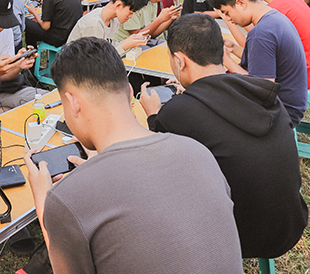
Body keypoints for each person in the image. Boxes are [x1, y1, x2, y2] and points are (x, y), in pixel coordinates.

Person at [23, 37, 244, 274]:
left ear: (73, 103)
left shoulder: (66, 198)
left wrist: (43, 202)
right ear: (130, 93)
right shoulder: (198, 151)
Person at [139, 14, 308, 259]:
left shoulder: (178, 113)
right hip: (289, 224)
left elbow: (156, 156)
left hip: (239, 237)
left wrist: (154, 115)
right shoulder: (262, 92)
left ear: (179, 61)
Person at [210, 0, 308, 128]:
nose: (228, 19)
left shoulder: (261, 34)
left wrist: (226, 60)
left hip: (280, 112)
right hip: (292, 104)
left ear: (241, 3)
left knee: (208, 107)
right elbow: (265, 63)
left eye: (227, 13)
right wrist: (234, 49)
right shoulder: (274, 18)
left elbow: (261, 90)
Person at [67, 0, 149, 56]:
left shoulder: (114, 20)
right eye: (131, 12)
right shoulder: (94, 24)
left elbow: (107, 49)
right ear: (118, 5)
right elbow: (97, 59)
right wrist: (125, 45)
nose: (130, 16)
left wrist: (130, 41)